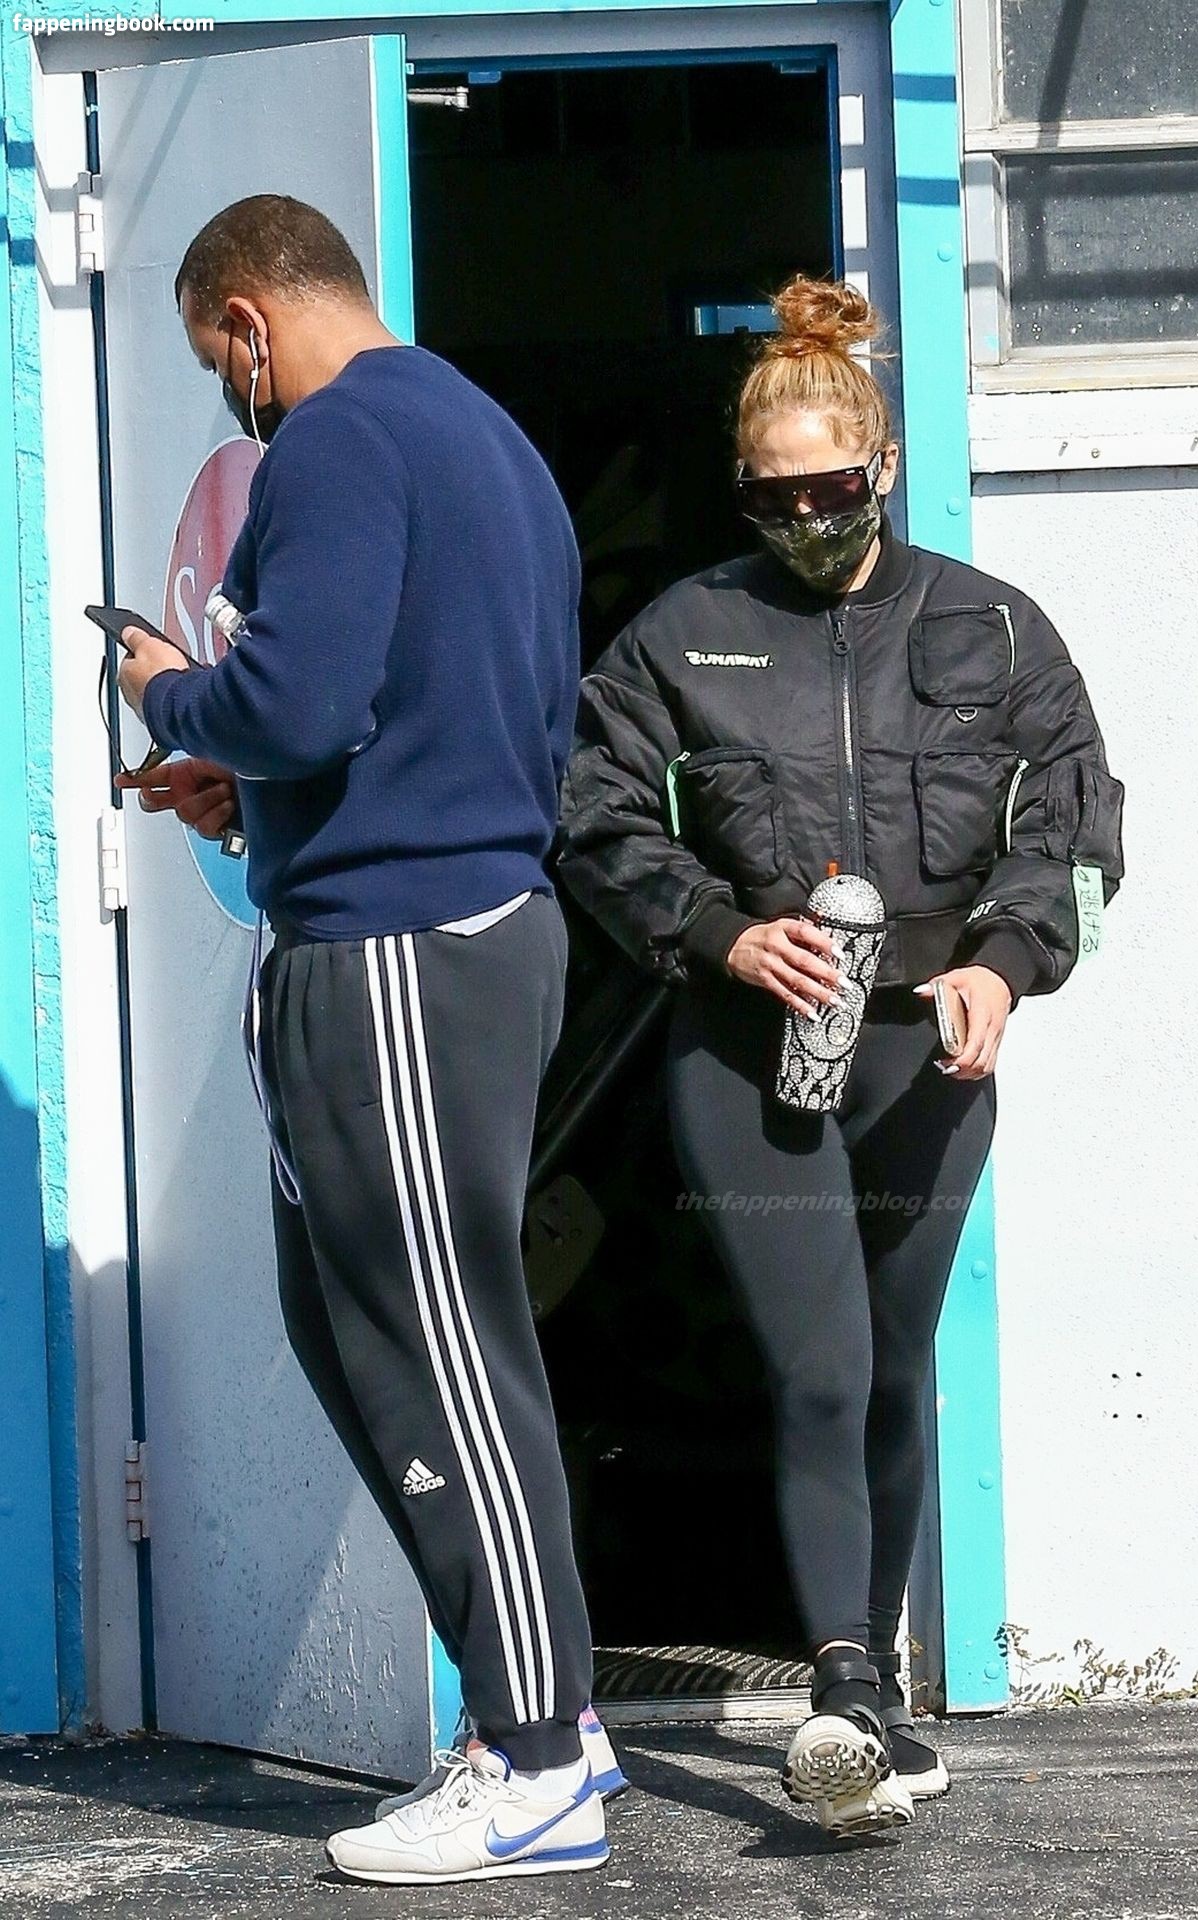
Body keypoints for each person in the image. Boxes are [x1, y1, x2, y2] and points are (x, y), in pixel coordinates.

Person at [556, 276, 1124, 1838]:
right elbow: (593, 820)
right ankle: (847, 1692)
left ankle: (871, 1694)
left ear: (881, 465)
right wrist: (720, 935)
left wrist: (1005, 966)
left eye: (829, 490)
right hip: (748, 1055)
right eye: (771, 496)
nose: (804, 518)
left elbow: (1075, 830)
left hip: (927, 1058)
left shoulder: (994, 627)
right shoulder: (685, 632)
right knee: (818, 1363)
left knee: (893, 1363)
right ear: (742, 490)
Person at [114, 193, 625, 1888]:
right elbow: (425, 706)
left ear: (250, 323)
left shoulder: (336, 441)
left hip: (399, 946)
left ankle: (533, 1757)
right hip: (455, 925)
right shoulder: (485, 437)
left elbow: (297, 697)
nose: (233, 401)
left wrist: (168, 691)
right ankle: (545, 1718)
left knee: (431, 1348)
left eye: (220, 367)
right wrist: (255, 783)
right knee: (386, 1337)